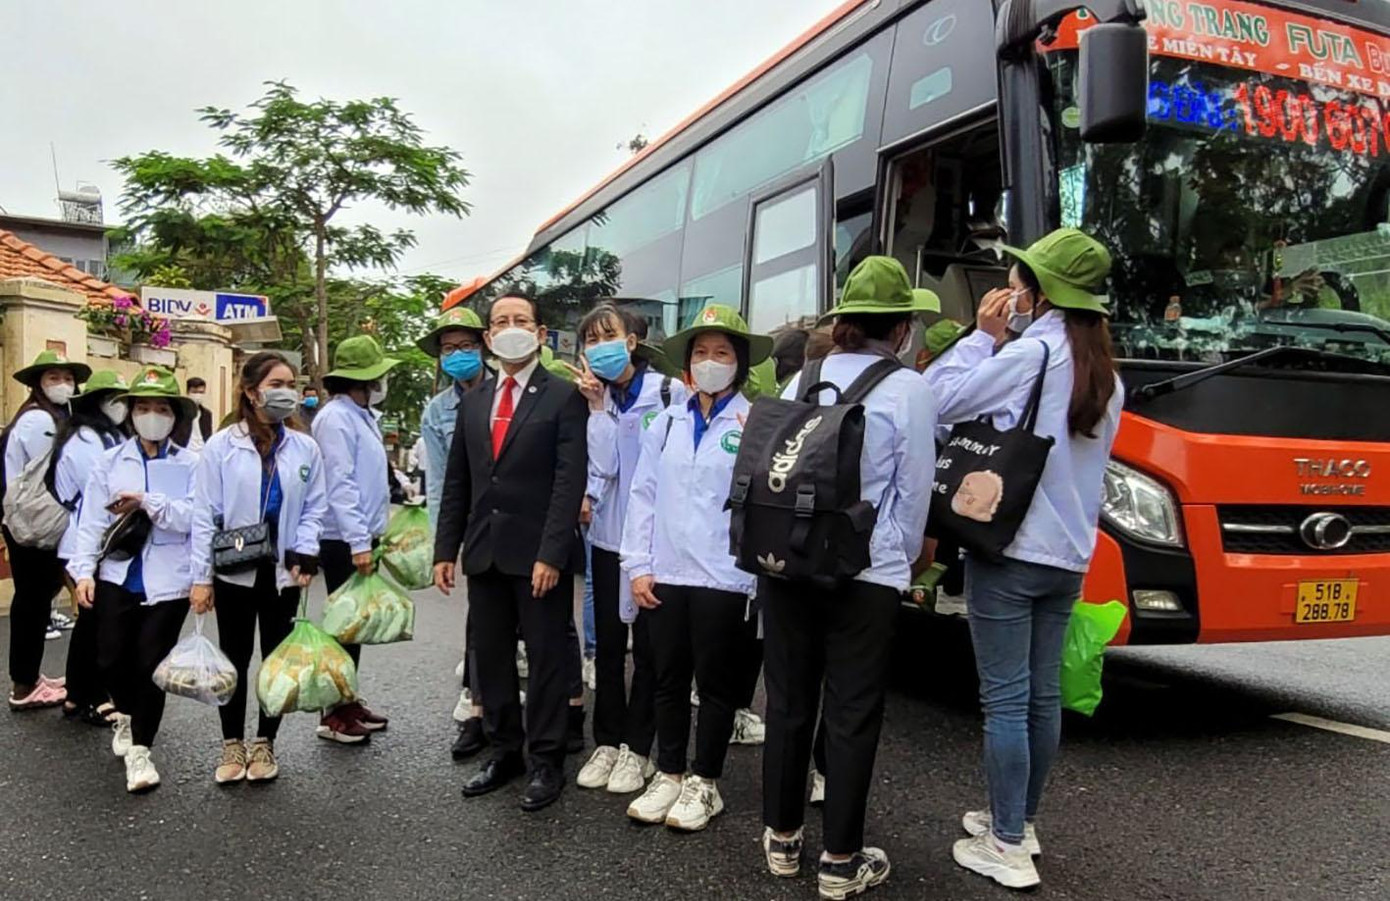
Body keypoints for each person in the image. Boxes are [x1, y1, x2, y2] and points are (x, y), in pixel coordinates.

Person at [927, 229, 1123, 890]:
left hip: (1010, 547)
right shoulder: (1106, 369)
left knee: (1006, 701)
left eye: (1015, 284)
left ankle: (1006, 844)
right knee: (1042, 696)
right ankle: (1020, 820)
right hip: (1067, 555)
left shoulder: (1032, 352)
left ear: (1038, 294)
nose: (1007, 293)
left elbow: (937, 401)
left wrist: (982, 337)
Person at [761, 257, 937, 898]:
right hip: (865, 571)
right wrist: (901, 559)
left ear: (843, 322)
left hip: (787, 562)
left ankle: (782, 841)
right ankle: (839, 861)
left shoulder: (800, 380)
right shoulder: (908, 389)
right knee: (851, 711)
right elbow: (913, 491)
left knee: (788, 702)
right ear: (902, 327)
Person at [433, 293, 587, 813]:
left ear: (540, 334)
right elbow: (459, 480)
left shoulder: (563, 397)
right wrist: (445, 549)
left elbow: (568, 482)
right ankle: (505, 750)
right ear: (489, 337)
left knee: (546, 659)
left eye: (521, 320)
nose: (511, 328)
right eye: (501, 321)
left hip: (539, 554)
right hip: (485, 552)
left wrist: (552, 553)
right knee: (492, 656)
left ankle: (546, 759)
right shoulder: (475, 400)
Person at [618, 304, 768, 832]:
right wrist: (638, 565)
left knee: (717, 685)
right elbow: (643, 494)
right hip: (667, 572)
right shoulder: (666, 422)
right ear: (687, 363)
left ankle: (705, 781)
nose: (709, 362)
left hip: (726, 576)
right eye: (701, 352)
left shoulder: (754, 423)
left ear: (739, 363)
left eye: (721, 353)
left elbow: (762, 504)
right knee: (667, 678)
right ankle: (670, 771)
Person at [191, 352, 328, 784]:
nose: (286, 393)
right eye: (276, 385)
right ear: (251, 392)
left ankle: (265, 742)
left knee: (275, 659)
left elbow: (315, 507)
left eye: (290, 384)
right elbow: (204, 514)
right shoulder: (221, 446)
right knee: (233, 658)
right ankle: (232, 743)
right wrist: (201, 578)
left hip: (283, 572)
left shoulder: (304, 448)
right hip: (235, 568)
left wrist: (305, 552)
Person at [568, 303, 685, 796]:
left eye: (608, 336)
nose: (600, 348)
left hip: (655, 545)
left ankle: (639, 749)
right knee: (610, 649)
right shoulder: (592, 398)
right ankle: (607, 742)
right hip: (608, 537)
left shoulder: (668, 392)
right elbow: (605, 466)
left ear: (632, 342)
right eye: (591, 340)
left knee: (653, 653)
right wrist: (597, 409)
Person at [68, 366, 199, 793]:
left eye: (161, 408)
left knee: (150, 665)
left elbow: (195, 518)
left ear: (175, 416)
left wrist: (147, 501)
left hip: (170, 581)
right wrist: (83, 572)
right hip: (117, 574)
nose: (151, 416)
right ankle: (124, 714)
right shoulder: (110, 462)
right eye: (143, 407)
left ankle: (142, 748)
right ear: (131, 413)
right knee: (110, 659)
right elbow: (90, 521)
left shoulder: (190, 465)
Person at [309, 335, 400, 743]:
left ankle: (346, 699)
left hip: (359, 534)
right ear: (364, 381)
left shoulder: (359, 416)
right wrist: (358, 541)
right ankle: (333, 713)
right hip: (343, 538)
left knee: (354, 624)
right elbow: (340, 483)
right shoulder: (336, 419)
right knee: (344, 626)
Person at [417, 306, 494, 759]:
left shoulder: (510, 391)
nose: (458, 355)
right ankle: (477, 707)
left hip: (520, 524)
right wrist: (444, 546)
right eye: (449, 349)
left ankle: (557, 712)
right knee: (481, 620)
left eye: (466, 346)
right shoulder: (437, 411)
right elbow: (441, 483)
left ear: (483, 346)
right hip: (474, 525)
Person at [2, 349, 91, 710]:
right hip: (33, 523)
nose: (63, 384)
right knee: (32, 602)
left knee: (35, 600)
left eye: (68, 378)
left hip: (29, 522)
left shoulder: (47, 415)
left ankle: (30, 677)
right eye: (53, 378)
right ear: (38, 383)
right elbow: (54, 472)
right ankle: (23, 685)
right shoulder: (39, 421)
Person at [53, 371, 130, 725]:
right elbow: (104, 489)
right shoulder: (85, 439)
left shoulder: (109, 434)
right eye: (112, 399)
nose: (120, 406)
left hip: (103, 539)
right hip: (85, 540)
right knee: (94, 622)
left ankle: (77, 693)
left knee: (91, 621)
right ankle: (90, 694)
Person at [173, 377, 215, 451]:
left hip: (202, 451)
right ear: (188, 392)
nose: (198, 395)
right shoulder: (180, 412)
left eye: (201, 392)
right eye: (194, 392)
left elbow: (208, 435)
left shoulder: (207, 414)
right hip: (185, 451)